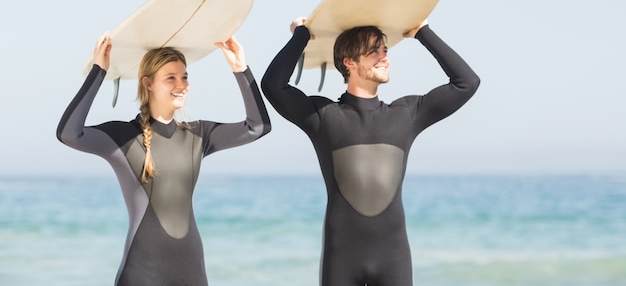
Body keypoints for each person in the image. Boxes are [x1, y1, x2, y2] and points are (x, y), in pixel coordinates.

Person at [261, 17, 480, 286]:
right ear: (349, 63)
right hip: (341, 259)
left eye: (385, 50)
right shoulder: (323, 116)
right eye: (373, 51)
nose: (384, 57)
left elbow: (467, 82)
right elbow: (273, 85)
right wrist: (301, 35)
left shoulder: (406, 114)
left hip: (394, 260)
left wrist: (423, 32)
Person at [57, 33, 271, 286]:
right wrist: (99, 71)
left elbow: (258, 127)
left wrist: (241, 69)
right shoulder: (124, 137)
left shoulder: (197, 134)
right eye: (171, 78)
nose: (181, 85)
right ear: (148, 84)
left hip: (192, 273)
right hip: (140, 275)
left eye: (184, 77)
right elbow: (69, 134)